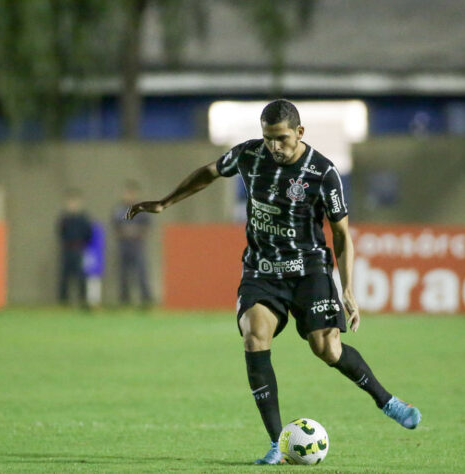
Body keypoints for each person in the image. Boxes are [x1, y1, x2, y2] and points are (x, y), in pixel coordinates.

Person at [126, 99, 421, 464]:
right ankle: (277, 445)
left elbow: (341, 234)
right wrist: (165, 203)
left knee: (327, 349)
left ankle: (388, 401)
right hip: (262, 270)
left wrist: (347, 287)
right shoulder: (249, 156)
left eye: (281, 139)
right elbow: (209, 171)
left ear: (299, 132)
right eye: (268, 139)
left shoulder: (323, 173)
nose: (274, 147)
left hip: (309, 270)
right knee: (254, 336)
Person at [112, 180, 152, 307]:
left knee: (141, 273)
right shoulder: (119, 210)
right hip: (124, 245)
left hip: (137, 245)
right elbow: (116, 227)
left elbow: (146, 227)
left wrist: (135, 233)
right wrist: (126, 233)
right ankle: (124, 300)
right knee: (123, 274)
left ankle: (146, 299)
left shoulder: (141, 210)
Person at [57, 188, 93, 307]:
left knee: (81, 276)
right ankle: (63, 301)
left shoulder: (84, 218)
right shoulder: (64, 219)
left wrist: (83, 245)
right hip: (67, 250)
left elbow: (89, 233)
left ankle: (83, 301)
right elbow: (60, 233)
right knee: (64, 277)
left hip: (79, 249)